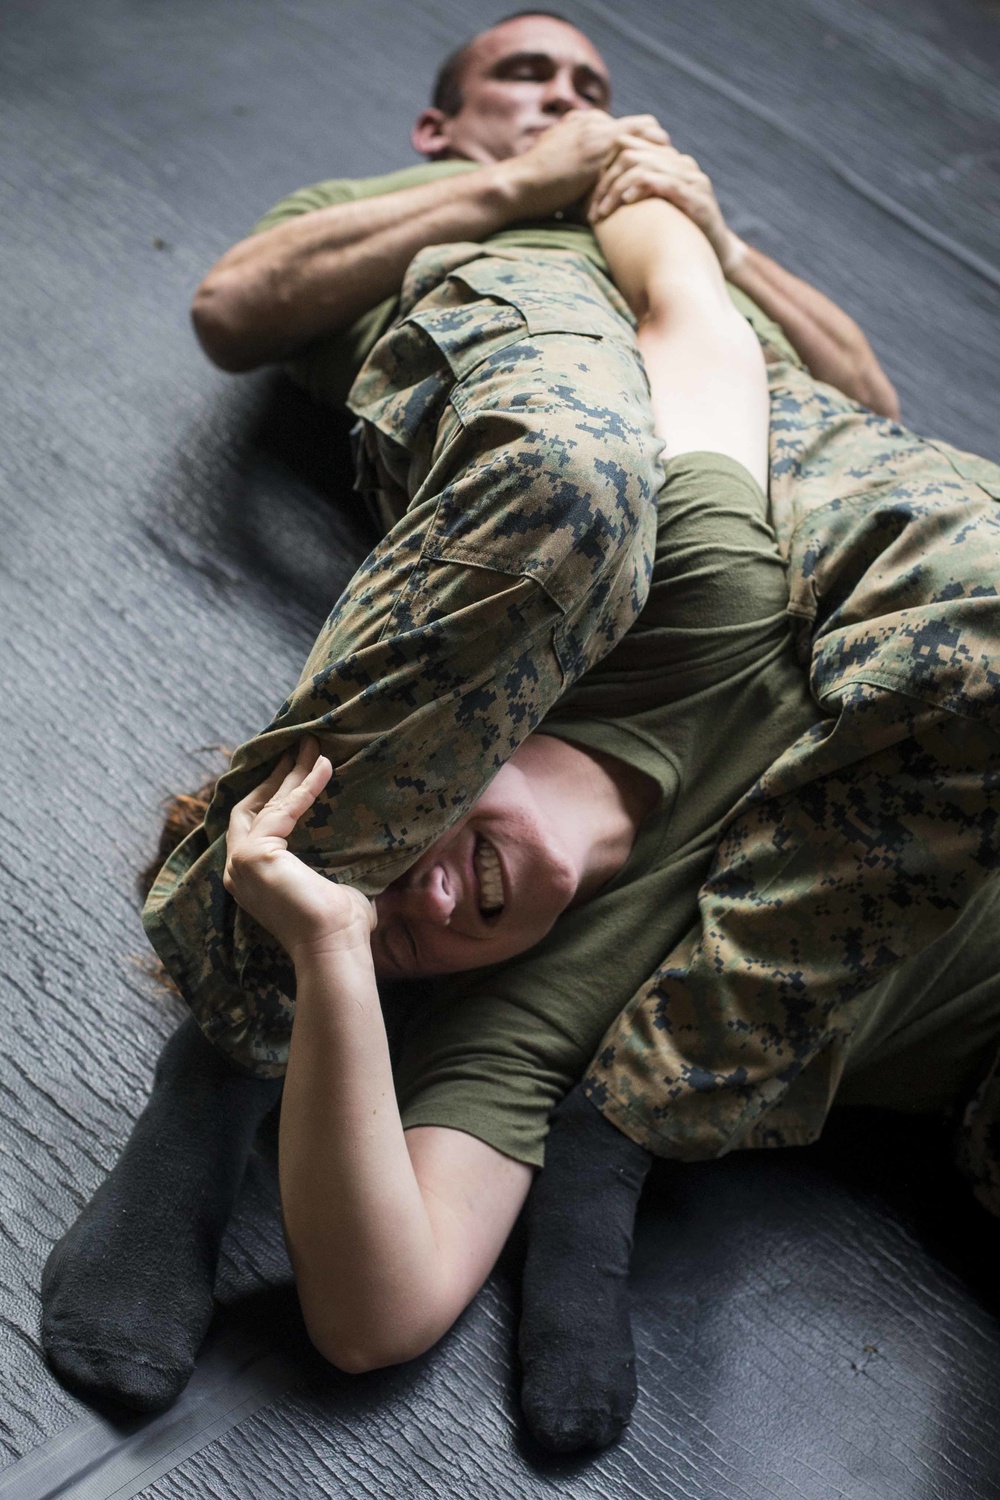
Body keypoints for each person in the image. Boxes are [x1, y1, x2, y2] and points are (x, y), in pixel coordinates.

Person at [40, 10, 897, 1414]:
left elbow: (875, 405)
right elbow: (233, 306)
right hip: (538, 463)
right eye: (526, 75)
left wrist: (702, 235)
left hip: (749, 467)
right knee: (560, 505)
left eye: (594, 84)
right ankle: (222, 1057)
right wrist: (523, 187)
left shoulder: (686, 232)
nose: (569, 94)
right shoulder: (407, 206)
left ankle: (617, 1123)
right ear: (440, 121)